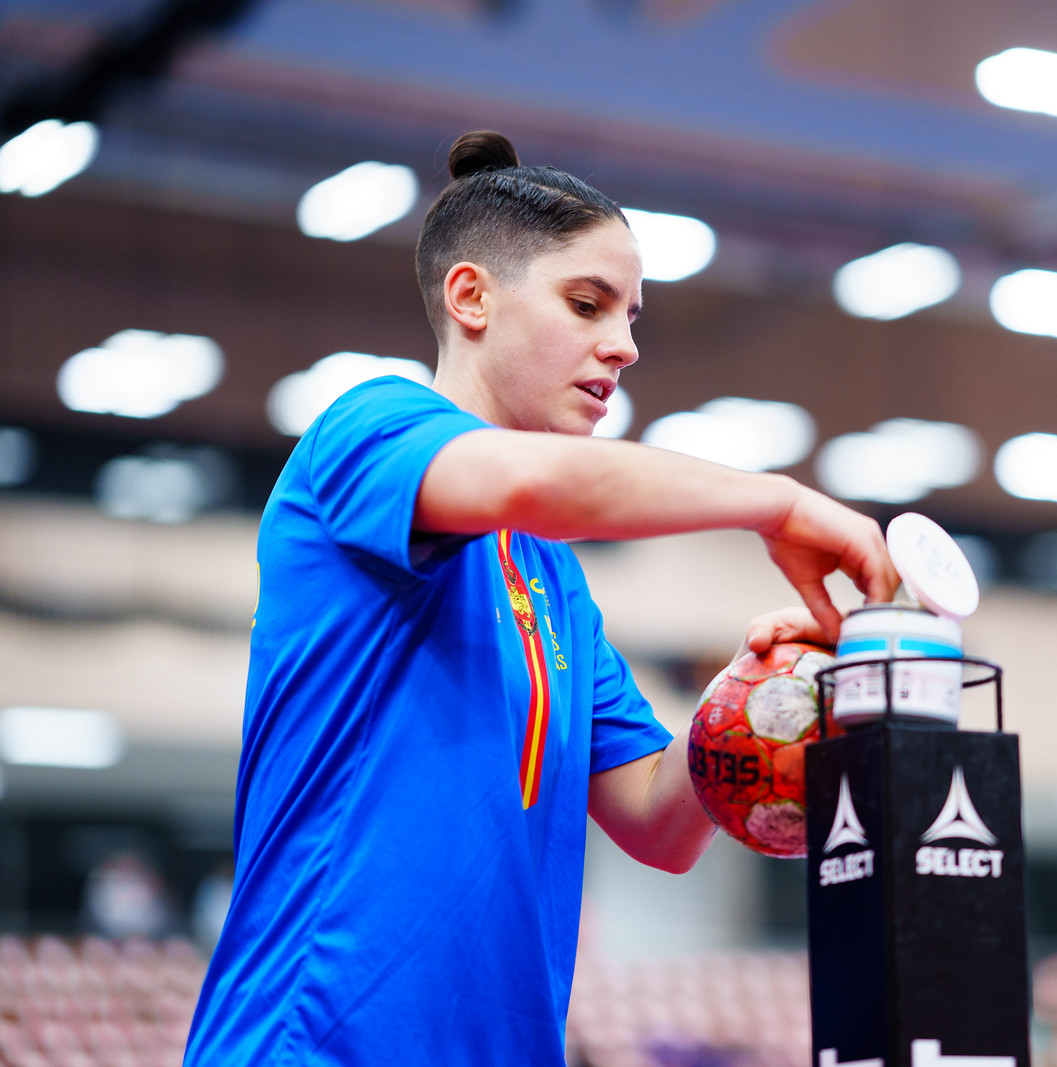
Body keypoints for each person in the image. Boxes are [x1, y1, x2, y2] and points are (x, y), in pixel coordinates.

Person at [183, 131, 895, 1065]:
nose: (624, 345)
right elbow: (534, 482)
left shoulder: (552, 576)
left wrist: (752, 697)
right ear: (471, 296)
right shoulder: (367, 428)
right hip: (314, 1043)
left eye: (632, 316)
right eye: (587, 304)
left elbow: (658, 824)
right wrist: (780, 501)